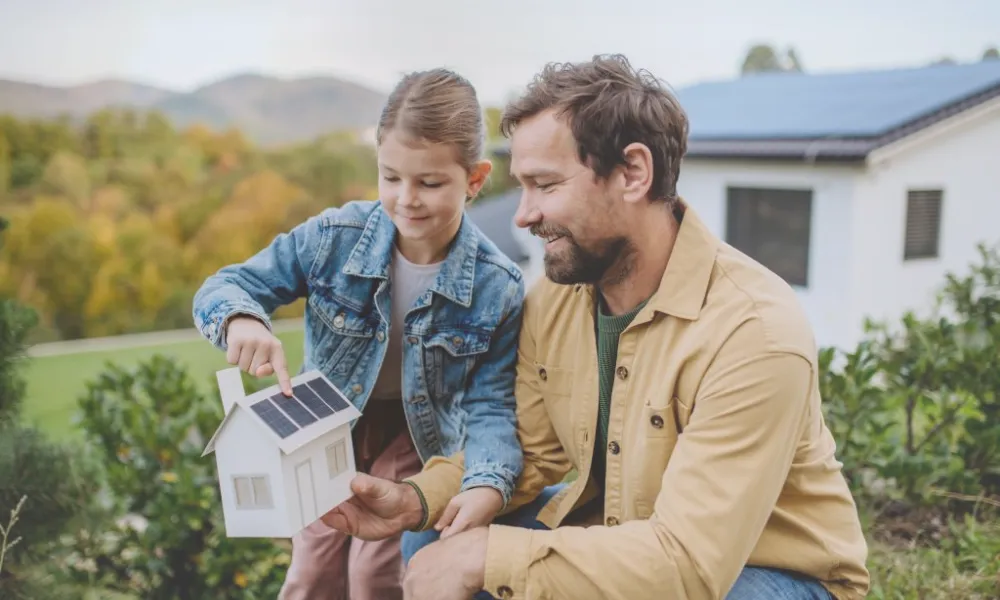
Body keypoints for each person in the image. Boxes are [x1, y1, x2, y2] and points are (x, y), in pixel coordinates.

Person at [322, 54, 871, 600]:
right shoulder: (559, 298)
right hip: (625, 531)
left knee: (480, 557)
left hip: (763, 572)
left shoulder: (754, 333)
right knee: (433, 542)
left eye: (545, 185)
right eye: (522, 187)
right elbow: (529, 450)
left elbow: (688, 566)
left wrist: (491, 558)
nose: (523, 215)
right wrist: (416, 499)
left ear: (632, 173)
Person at [191, 68, 526, 600]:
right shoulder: (332, 239)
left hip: (421, 438)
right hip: (323, 426)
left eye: (430, 183)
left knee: (377, 576)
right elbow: (227, 285)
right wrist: (241, 319)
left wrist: (487, 478)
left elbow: (490, 403)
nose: (407, 199)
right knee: (312, 575)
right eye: (391, 177)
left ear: (476, 179)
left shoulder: (498, 286)